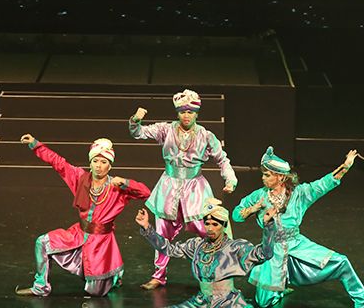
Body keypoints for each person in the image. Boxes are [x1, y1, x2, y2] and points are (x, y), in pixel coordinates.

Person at [232, 147, 364, 308]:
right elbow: (236, 215)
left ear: (281, 177)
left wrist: (345, 167)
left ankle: (363, 302)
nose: (263, 178)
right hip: (271, 250)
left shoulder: (300, 194)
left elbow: (323, 184)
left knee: (341, 262)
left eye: (267, 175)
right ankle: (279, 287)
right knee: (264, 303)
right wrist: (252, 209)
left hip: (296, 245)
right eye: (263, 174)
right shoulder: (259, 196)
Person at [15, 134, 151, 297]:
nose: (99, 166)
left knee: (96, 292)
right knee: (43, 242)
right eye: (95, 161)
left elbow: (145, 192)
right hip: (78, 234)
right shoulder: (81, 178)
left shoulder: (117, 187)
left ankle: (112, 277)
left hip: (101, 244)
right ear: (90, 163)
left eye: (103, 162)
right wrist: (35, 145)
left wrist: (126, 182)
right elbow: (59, 163)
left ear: (109, 166)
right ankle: (40, 286)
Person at [130, 89, 237, 290]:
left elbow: (222, 159)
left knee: (208, 230)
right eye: (182, 112)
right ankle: (158, 275)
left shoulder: (206, 135)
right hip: (168, 188)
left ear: (196, 113)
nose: (186, 115)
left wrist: (230, 179)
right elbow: (138, 133)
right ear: (177, 113)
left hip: (195, 190)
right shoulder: (166, 130)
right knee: (162, 233)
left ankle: (215, 272)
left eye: (190, 112)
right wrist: (136, 120)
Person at [136, 199, 278, 308]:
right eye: (207, 224)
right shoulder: (197, 245)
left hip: (228, 302)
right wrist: (147, 228)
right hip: (202, 301)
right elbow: (168, 249)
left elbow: (264, 254)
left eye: (215, 225)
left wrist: (269, 226)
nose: (210, 228)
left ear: (224, 225)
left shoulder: (234, 248)